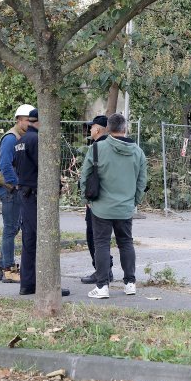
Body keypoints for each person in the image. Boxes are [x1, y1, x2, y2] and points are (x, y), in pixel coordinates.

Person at [80, 113, 147, 299]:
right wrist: (134, 201)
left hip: (101, 206)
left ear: (108, 129)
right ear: (125, 128)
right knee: (126, 242)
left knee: (101, 244)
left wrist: (86, 200)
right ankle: (130, 283)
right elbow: (142, 182)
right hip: (125, 207)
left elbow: (84, 176)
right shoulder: (138, 152)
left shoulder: (97, 148)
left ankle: (102, 287)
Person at [13, 109, 70, 296]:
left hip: (25, 193)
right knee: (45, 239)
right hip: (36, 194)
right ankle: (48, 285)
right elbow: (45, 168)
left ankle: (27, 284)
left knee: (29, 240)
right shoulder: (37, 140)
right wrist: (58, 185)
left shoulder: (20, 141)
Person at [0, 104, 34, 283]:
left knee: (12, 228)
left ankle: (2, 268)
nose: (30, 123)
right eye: (27, 120)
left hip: (11, 187)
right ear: (19, 120)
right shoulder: (11, 138)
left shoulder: (22, 136)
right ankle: (8, 269)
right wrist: (17, 185)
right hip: (9, 188)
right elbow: (5, 164)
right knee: (10, 229)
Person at [80, 115, 113, 285]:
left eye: (91, 127)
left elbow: (86, 174)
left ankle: (102, 271)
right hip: (114, 197)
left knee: (94, 236)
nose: (90, 130)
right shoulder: (115, 145)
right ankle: (107, 269)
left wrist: (85, 196)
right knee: (110, 238)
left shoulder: (97, 147)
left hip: (97, 197)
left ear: (98, 129)